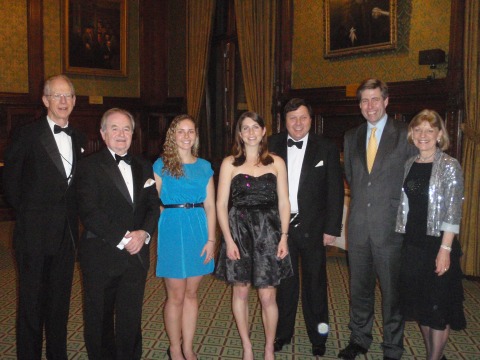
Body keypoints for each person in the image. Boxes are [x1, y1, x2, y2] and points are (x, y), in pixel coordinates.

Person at [3, 74, 85, 359]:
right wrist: (31, 217)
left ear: (74, 101)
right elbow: (11, 183)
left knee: (60, 304)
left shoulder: (79, 137)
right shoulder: (27, 134)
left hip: (66, 236)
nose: (63, 101)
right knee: (31, 306)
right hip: (34, 237)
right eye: (57, 96)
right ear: (45, 100)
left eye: (68, 96)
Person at [339, 79, 417, 360]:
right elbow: (352, 176)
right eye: (364, 101)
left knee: (392, 293)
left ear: (386, 101)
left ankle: (393, 347)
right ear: (359, 104)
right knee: (359, 288)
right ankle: (359, 339)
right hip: (358, 227)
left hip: (391, 227)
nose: (369, 106)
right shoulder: (351, 136)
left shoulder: (405, 134)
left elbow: (415, 180)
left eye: (375, 99)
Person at [76, 108, 159, 360]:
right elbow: (89, 211)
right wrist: (125, 238)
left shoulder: (144, 166)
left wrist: (143, 233)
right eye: (114, 128)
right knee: (99, 316)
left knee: (130, 317)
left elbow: (153, 206)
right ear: (103, 134)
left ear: (133, 134)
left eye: (126, 129)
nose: (121, 134)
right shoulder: (89, 166)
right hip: (102, 253)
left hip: (135, 256)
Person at [268, 98, 345, 356]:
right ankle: (282, 333)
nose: (298, 123)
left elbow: (335, 190)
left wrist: (332, 228)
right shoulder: (272, 144)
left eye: (303, 117)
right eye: (292, 118)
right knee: (285, 284)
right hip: (282, 229)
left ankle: (319, 337)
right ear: (285, 121)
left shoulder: (326, 147)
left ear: (311, 119)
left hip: (314, 227)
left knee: (316, 285)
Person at [215, 111, 293, 360]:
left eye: (255, 127)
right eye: (245, 128)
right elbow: (220, 204)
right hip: (239, 232)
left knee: (268, 295)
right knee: (240, 291)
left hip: (269, 233)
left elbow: (284, 202)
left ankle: (269, 346)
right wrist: (228, 240)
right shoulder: (229, 163)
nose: (250, 132)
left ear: (263, 131)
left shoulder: (277, 162)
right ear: (239, 134)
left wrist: (284, 236)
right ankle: (247, 346)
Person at [396, 109, 466, 360]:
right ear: (412, 134)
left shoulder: (449, 165)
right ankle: (432, 355)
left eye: (429, 130)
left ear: (439, 134)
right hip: (413, 246)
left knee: (438, 312)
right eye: (418, 130)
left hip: (438, 246)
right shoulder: (409, 164)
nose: (423, 135)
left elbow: (453, 211)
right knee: (422, 309)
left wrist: (445, 250)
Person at [153, 114, 216, 360]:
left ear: (196, 136)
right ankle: (175, 348)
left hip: (198, 230)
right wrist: (169, 219)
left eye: (191, 131)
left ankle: (188, 347)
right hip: (172, 229)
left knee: (191, 293)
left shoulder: (204, 166)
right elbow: (153, 202)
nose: (186, 136)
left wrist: (211, 240)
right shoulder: (161, 165)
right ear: (173, 135)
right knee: (175, 294)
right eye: (181, 131)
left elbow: (210, 206)